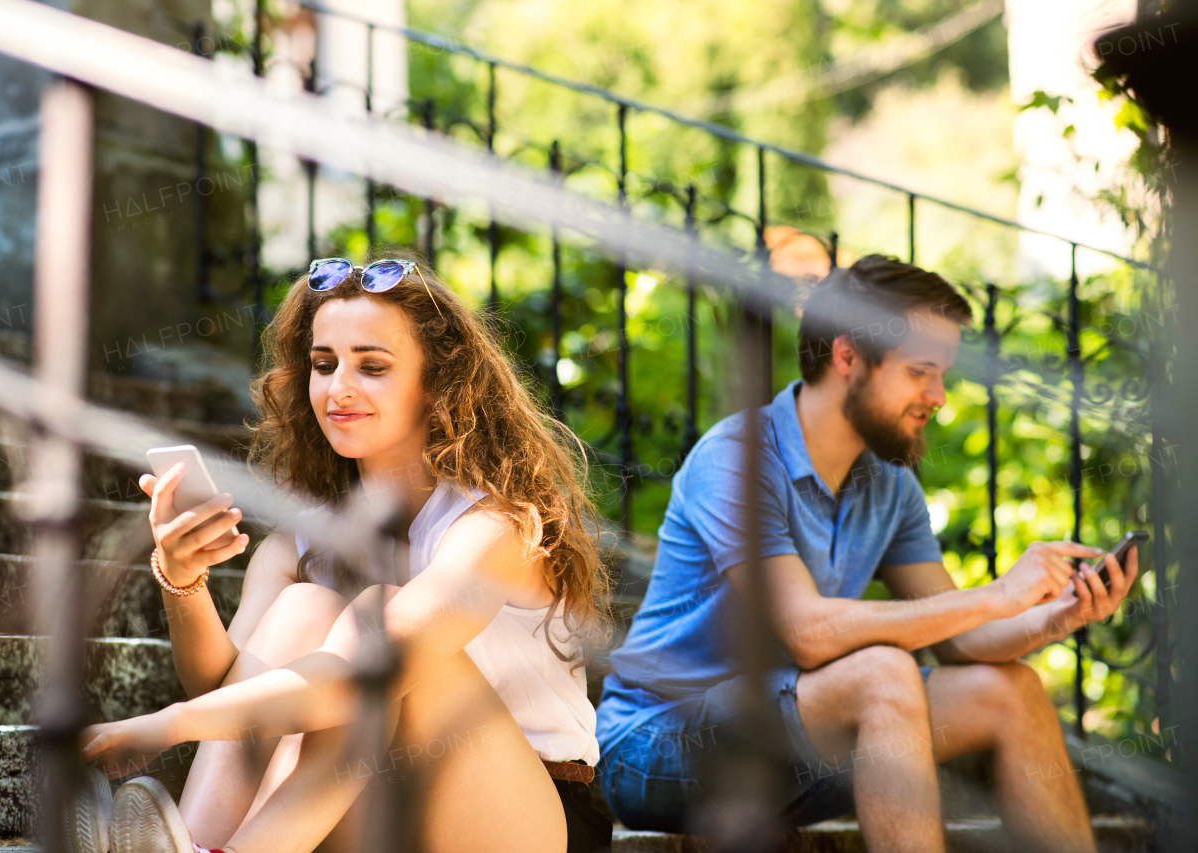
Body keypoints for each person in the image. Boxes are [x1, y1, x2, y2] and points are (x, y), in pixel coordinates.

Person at [69, 255, 613, 853]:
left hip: (522, 815)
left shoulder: (497, 527)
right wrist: (183, 579)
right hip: (376, 803)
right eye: (323, 365)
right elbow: (224, 687)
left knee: (375, 621)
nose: (338, 389)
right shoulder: (301, 542)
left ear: (437, 384)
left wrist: (164, 726)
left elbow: (358, 680)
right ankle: (203, 846)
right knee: (305, 607)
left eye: (372, 367)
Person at [596, 255, 1138, 853]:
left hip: (798, 738)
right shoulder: (738, 458)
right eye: (920, 372)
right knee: (883, 673)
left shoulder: (888, 482)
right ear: (847, 355)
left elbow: (961, 640)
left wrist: (1052, 615)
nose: (938, 396)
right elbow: (810, 633)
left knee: (1012, 692)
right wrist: (996, 593)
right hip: (657, 746)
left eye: (942, 375)